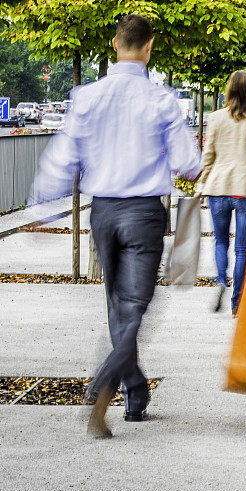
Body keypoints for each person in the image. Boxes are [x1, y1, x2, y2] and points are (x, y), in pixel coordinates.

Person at [29, 15, 202, 437]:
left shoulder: (87, 96)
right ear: (149, 47)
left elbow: (62, 154)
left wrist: (38, 206)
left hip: (103, 211)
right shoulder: (162, 101)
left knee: (117, 307)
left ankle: (136, 393)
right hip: (144, 214)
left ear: (113, 44)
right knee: (136, 308)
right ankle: (104, 385)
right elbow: (189, 165)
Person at [197, 70, 246, 315]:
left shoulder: (215, 118)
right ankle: (237, 301)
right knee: (242, 249)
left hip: (218, 187)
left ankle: (220, 281)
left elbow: (208, 155)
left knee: (220, 241)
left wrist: (204, 180)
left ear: (228, 90)